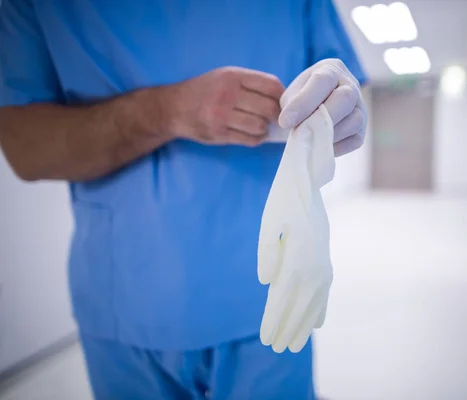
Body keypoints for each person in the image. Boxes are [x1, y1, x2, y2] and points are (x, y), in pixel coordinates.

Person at [0, 1, 367, 398]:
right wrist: (169, 110)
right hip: (125, 306)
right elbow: (26, 147)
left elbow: (334, 86)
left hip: (267, 296)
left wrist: (336, 97)